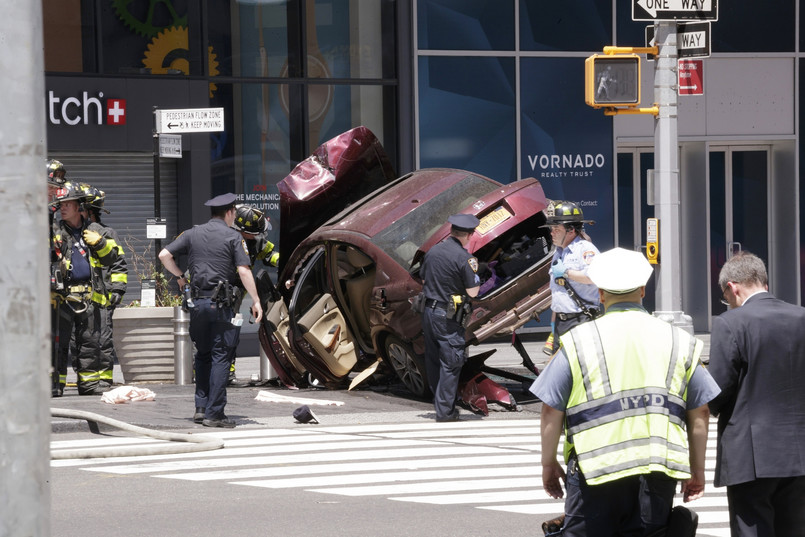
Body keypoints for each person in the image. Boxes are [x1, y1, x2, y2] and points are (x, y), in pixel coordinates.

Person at [530, 247, 719, 536]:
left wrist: (548, 463)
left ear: (600, 294)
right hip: (656, 471)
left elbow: (550, 410)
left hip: (595, 470)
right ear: (642, 290)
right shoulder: (680, 341)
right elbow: (701, 413)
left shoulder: (578, 341)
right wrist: (697, 470)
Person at [708, 251, 805, 536]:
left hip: (751, 456)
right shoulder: (802, 317)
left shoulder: (730, 323)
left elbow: (717, 390)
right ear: (764, 282)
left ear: (732, 287)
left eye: (726, 297)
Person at [159, 193, 263, 428]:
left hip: (197, 305)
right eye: (234, 213)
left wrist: (180, 276)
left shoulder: (192, 233)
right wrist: (256, 300)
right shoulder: (233, 237)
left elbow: (164, 255)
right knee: (221, 356)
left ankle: (201, 408)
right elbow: (244, 270)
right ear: (230, 213)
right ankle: (215, 414)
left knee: (203, 355)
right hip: (222, 306)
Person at [50, 182, 123, 396]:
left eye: (67, 204)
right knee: (59, 343)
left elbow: (113, 259)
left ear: (79, 207)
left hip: (90, 297)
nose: (62, 208)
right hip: (63, 297)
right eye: (61, 205)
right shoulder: (55, 232)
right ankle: (55, 385)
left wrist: (100, 244)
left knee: (90, 343)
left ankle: (89, 385)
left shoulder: (96, 231)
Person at [420, 213, 481, 422]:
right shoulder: (466, 259)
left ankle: (440, 403)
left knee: (433, 360)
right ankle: (445, 412)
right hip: (447, 316)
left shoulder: (433, 251)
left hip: (428, 311)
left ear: (452, 231)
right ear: (469, 235)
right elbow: (473, 292)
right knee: (451, 362)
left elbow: (423, 279)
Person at [80, 184, 127, 385]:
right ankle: (86, 378)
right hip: (80, 297)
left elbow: (119, 264)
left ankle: (105, 379)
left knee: (103, 339)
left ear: (89, 211)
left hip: (103, 296)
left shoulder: (106, 233)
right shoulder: (75, 234)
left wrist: (117, 291)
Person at [227, 204, 279, 385]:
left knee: (231, 333)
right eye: (254, 232)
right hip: (214, 294)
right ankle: (203, 373)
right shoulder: (223, 239)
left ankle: (227, 373)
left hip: (234, 297)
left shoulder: (255, 242)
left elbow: (270, 255)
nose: (258, 235)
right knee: (212, 336)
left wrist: (285, 260)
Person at [541, 200, 600, 355]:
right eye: (551, 229)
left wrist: (567, 272)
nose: (552, 233)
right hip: (561, 322)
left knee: (580, 364)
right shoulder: (559, 252)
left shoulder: (585, 249)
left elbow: (593, 276)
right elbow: (559, 292)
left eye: (556, 229)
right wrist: (553, 329)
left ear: (571, 230)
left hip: (580, 321)